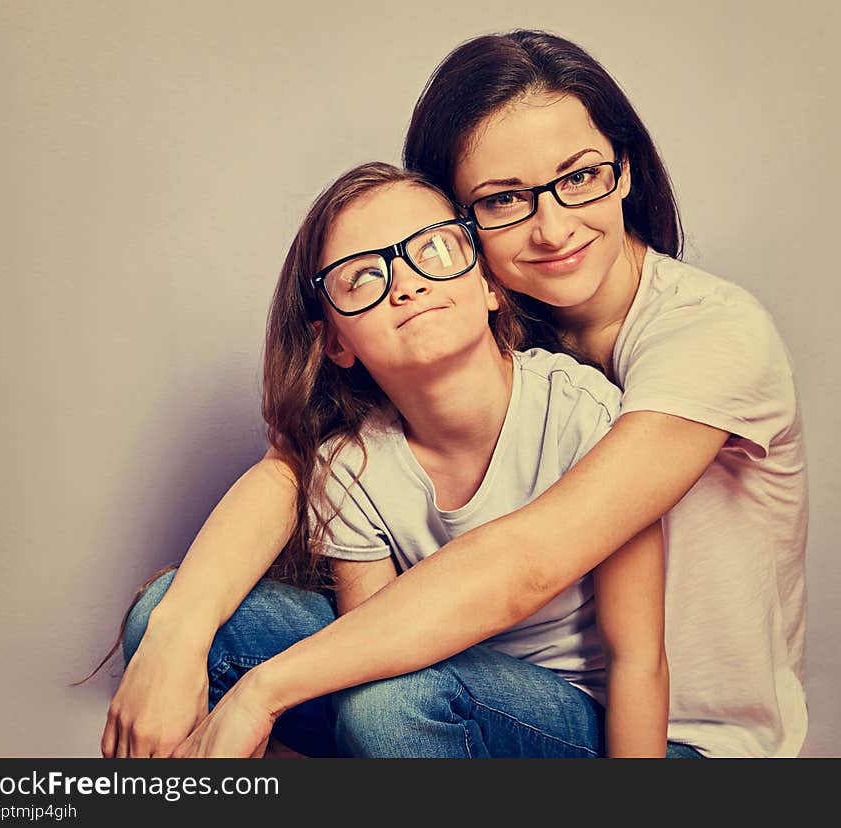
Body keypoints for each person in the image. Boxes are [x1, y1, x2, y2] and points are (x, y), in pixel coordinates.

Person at [102, 29, 807, 760]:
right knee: (179, 623)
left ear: (624, 170)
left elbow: (530, 562)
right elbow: (298, 467)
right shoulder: (478, 328)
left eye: (580, 176)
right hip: (477, 687)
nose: (554, 226)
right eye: (505, 198)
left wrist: (264, 691)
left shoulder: (710, 337)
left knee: (397, 697)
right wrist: (178, 631)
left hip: (679, 742)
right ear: (465, 230)